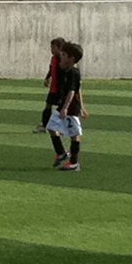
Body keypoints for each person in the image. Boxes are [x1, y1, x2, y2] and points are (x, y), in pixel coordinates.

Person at [46, 42, 87, 171]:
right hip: (64, 105)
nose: (61, 57)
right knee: (51, 126)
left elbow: (73, 91)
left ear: (71, 58)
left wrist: (66, 108)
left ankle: (74, 162)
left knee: (74, 134)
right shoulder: (67, 71)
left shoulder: (73, 72)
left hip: (70, 108)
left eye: (63, 55)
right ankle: (61, 152)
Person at [33, 37, 66, 134]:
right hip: (53, 87)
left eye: (53, 48)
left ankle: (62, 127)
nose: (51, 50)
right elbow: (51, 69)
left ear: (60, 48)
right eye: (51, 48)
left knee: (62, 108)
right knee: (48, 105)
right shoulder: (53, 58)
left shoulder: (63, 60)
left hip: (61, 88)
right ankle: (44, 125)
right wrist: (47, 78)